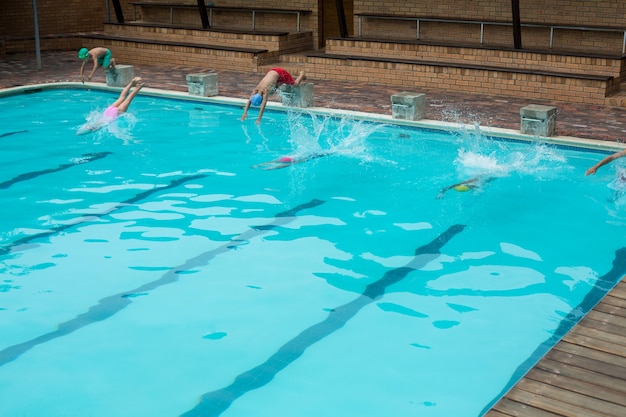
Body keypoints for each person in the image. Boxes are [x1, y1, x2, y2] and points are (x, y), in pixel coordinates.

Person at [76, 77, 144, 135]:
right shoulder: (92, 122)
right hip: (107, 111)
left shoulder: (96, 126)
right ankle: (131, 83)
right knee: (122, 97)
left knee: (128, 100)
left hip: (114, 114)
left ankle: (138, 88)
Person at [240, 68, 306, 124]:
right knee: (275, 87)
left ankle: (302, 75)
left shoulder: (264, 91)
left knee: (295, 85)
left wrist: (259, 119)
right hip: (272, 70)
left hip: (281, 73)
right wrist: (245, 113)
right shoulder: (257, 89)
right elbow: (249, 101)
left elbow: (263, 106)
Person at [251, 151, 333, 170]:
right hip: (296, 159)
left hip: (289, 157)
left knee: (274, 161)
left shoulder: (305, 151)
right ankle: (270, 168)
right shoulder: (311, 157)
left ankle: (259, 165)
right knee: (290, 164)